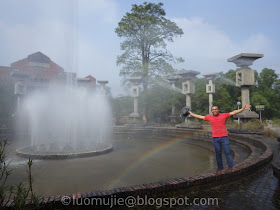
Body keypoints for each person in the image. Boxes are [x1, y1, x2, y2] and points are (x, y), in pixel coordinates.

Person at [189, 104, 251, 175]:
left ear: (218, 110)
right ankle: (220, 168)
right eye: (213, 109)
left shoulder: (224, 115)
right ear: (211, 111)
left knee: (227, 152)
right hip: (215, 138)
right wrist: (191, 113)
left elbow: (233, 112)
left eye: (216, 109)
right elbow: (199, 116)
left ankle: (230, 167)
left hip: (224, 137)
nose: (214, 110)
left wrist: (242, 109)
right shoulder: (209, 117)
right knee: (218, 154)